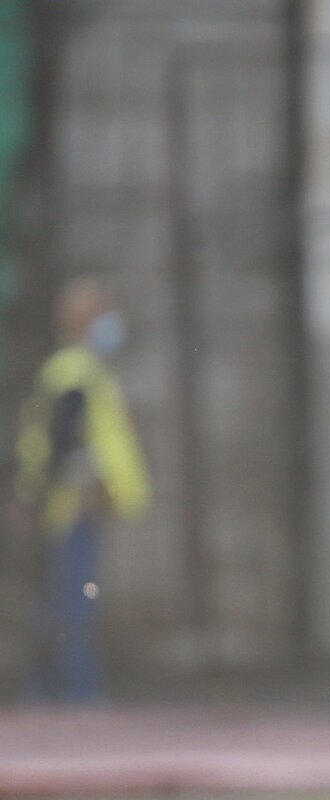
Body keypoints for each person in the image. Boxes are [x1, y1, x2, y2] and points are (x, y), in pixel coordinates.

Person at [13, 277, 151, 703]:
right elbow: (63, 441)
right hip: (72, 507)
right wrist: (62, 488)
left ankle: (57, 688)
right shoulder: (75, 372)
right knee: (74, 599)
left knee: (67, 596)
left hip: (70, 505)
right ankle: (72, 691)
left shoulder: (77, 370)